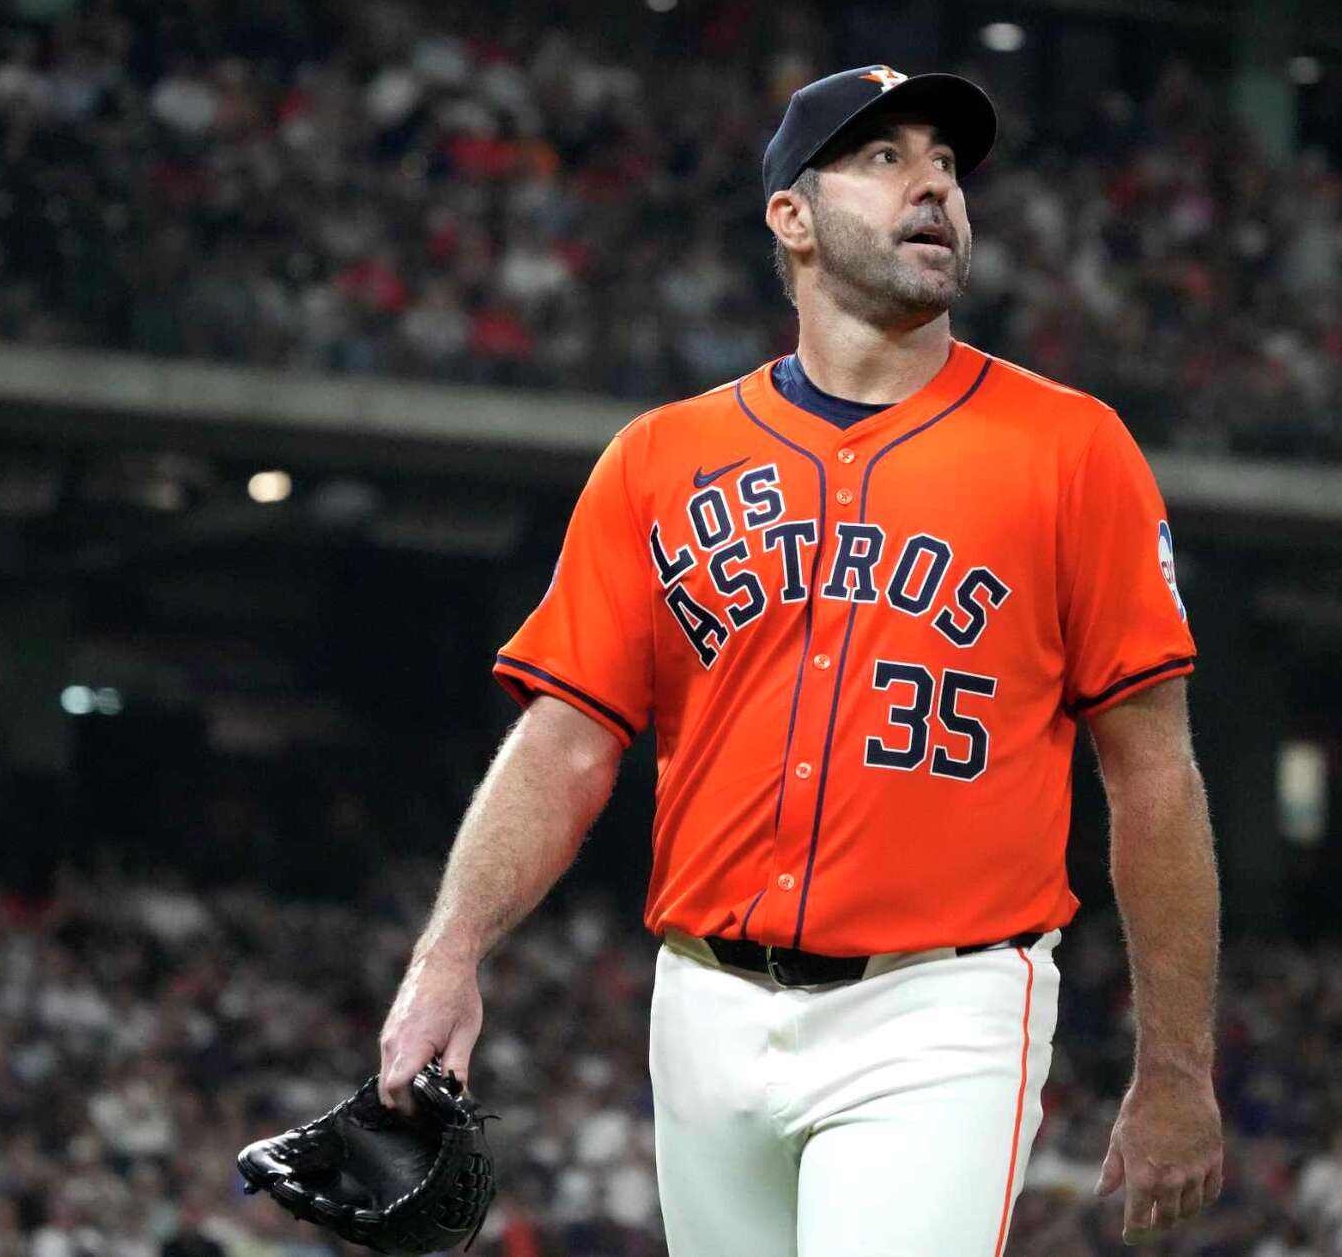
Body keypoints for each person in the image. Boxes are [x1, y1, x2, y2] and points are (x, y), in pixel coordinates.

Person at [377, 65, 1223, 1253]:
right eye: (882, 157)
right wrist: (446, 956)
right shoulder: (658, 457)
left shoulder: (1070, 449)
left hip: (940, 1005)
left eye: (944, 162)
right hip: (701, 1005)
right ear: (790, 216)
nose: (932, 182)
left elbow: (1153, 775)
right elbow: (565, 743)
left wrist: (1175, 1063)